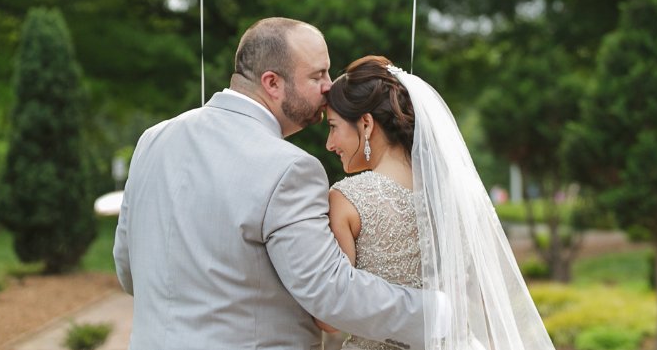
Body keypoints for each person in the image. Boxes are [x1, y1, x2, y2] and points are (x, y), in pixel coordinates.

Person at [113, 19, 432, 350]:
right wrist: (439, 312)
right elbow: (330, 293)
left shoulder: (152, 140)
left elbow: (127, 269)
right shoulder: (289, 168)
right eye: (317, 75)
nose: (328, 87)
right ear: (272, 83)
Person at [323, 56, 555, 350]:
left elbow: (330, 316)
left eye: (333, 127)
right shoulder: (458, 195)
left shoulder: (347, 200)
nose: (330, 144)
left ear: (366, 124)